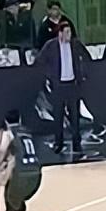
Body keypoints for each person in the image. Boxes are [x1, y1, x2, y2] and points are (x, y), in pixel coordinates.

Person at [35, 22, 91, 155]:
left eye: (70, 32)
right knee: (58, 116)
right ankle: (58, 142)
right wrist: (49, 76)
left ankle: (76, 142)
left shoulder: (75, 44)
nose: (69, 35)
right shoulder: (51, 46)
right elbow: (40, 61)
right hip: (58, 86)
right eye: (66, 32)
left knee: (74, 115)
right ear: (59, 33)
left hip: (73, 85)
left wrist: (82, 74)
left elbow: (87, 57)